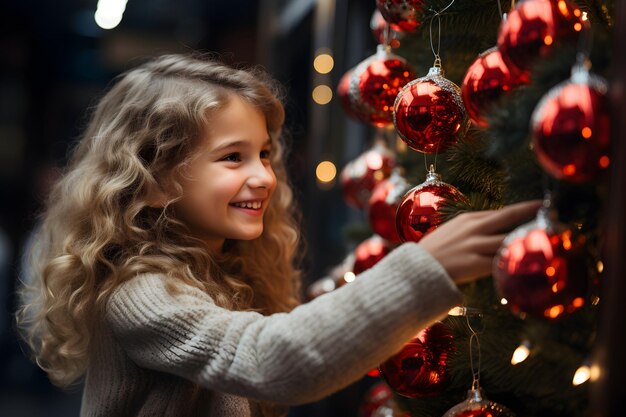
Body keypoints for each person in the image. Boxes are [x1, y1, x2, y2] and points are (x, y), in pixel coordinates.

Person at [15, 54, 540, 417]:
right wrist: (428, 268)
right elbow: (269, 359)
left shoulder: (216, 271)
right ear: (154, 181)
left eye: (264, 153)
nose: (264, 176)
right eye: (231, 157)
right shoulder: (140, 293)